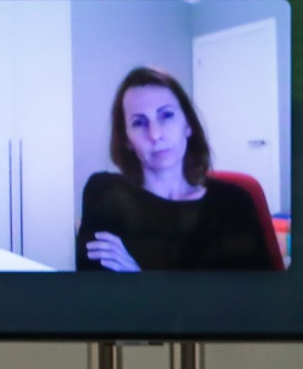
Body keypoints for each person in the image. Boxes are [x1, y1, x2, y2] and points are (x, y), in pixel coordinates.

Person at [76, 66, 276, 271]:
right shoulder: (104, 193)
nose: (155, 134)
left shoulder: (234, 203)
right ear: (126, 139)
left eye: (167, 115)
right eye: (139, 122)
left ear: (187, 125)